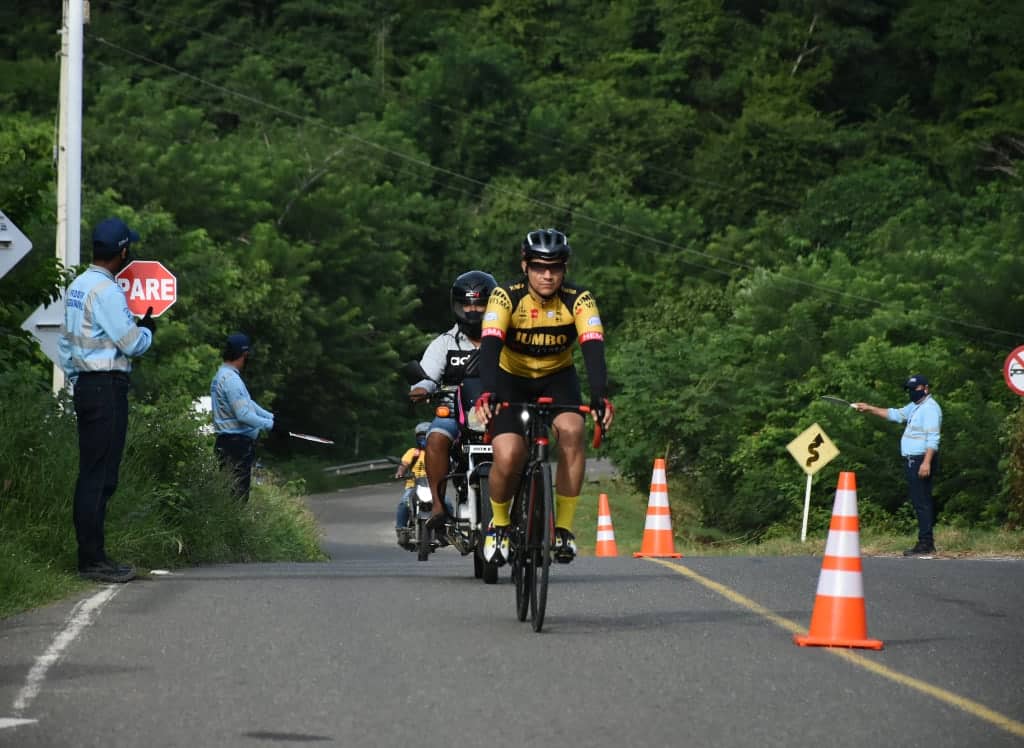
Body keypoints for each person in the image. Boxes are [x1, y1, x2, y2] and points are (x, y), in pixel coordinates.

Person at [474, 228, 614, 564]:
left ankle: (563, 530)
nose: (548, 274)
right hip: (510, 379)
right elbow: (490, 347)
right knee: (508, 454)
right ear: (525, 266)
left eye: (555, 267)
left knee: (572, 431)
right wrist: (489, 392)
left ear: (565, 269)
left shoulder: (580, 299)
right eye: (539, 266)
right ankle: (500, 524)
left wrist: (599, 396)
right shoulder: (504, 297)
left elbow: (593, 348)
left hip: (557, 378)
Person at [59, 217, 155, 583]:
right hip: (106, 388)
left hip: (86, 384)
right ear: (123, 251)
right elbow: (131, 343)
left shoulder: (78, 286)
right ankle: (92, 560)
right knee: (102, 475)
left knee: (92, 472)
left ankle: (93, 555)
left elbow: (67, 344)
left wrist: (78, 376)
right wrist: (147, 331)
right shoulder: (108, 292)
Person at [408, 270, 498, 529]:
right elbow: (427, 376)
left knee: (523, 440)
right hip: (454, 414)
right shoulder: (444, 343)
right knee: (435, 438)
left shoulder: (506, 342)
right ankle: (437, 506)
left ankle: (527, 505)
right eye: (467, 304)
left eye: (480, 304)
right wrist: (421, 388)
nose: (473, 310)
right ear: (456, 306)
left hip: (499, 413)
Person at [853, 374, 942, 556]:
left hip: (920, 460)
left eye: (915, 389)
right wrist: (869, 408)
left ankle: (926, 543)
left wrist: (926, 462)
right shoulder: (916, 407)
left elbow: (933, 438)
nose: (912, 393)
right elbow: (895, 414)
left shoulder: (930, 409)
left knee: (922, 502)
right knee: (919, 501)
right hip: (912, 460)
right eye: (909, 390)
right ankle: (925, 541)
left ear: (926, 388)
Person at [210, 333, 288, 501]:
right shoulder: (231, 380)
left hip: (228, 443)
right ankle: (234, 527)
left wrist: (272, 418)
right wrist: (271, 426)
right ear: (244, 354)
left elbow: (248, 403)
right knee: (237, 497)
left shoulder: (222, 375)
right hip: (235, 446)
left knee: (229, 493)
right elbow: (244, 414)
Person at [393, 422, 435, 547]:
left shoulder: (437, 453)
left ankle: (447, 530)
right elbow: (404, 465)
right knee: (404, 502)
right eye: (420, 436)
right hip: (414, 485)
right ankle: (401, 530)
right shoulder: (413, 452)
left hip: (433, 486)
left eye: (426, 436)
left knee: (447, 503)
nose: (423, 439)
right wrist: (400, 473)